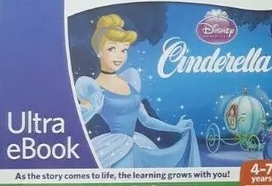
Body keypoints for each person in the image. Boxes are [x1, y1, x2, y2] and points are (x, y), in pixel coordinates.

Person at [76, 14, 199, 168]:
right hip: (117, 148)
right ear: (99, 51)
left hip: (137, 143)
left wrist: (177, 128)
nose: (119, 56)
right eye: (112, 48)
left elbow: (146, 120)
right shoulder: (92, 87)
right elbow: (76, 120)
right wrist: (92, 108)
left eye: (124, 50)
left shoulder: (129, 80)